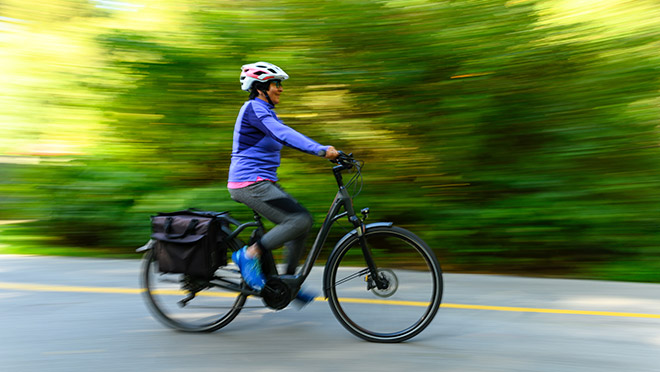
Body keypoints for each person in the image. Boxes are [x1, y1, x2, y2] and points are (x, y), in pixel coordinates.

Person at [228, 62, 339, 306]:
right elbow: (283, 134)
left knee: (301, 224)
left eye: (280, 84)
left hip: (262, 182)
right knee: (299, 220)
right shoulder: (253, 109)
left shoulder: (265, 111)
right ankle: (249, 255)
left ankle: (288, 282)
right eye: (275, 83)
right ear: (260, 88)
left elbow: (282, 134)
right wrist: (321, 150)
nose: (280, 88)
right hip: (248, 183)